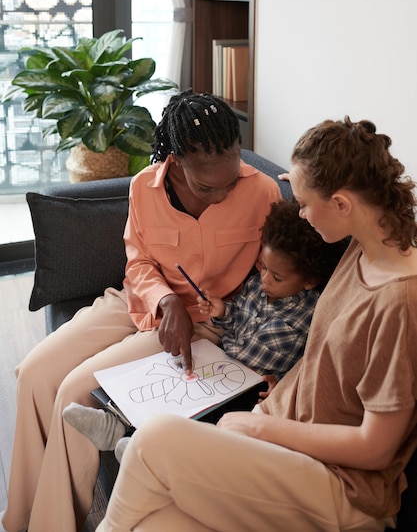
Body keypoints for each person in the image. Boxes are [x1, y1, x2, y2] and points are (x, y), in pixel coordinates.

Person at [95, 116, 417, 532]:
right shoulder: (362, 245)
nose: (300, 214)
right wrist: (271, 408)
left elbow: (375, 449)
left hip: (340, 485)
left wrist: (259, 424)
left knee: (154, 439)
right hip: (281, 438)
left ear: (342, 204)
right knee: (152, 521)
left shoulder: (399, 299)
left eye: (302, 202)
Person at [0, 90, 280, 532]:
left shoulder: (262, 192)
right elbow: (140, 260)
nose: (222, 194)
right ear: (178, 161)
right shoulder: (143, 187)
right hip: (138, 301)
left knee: (75, 391)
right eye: (208, 187)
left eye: (230, 182)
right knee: (34, 373)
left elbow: (276, 279)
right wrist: (164, 300)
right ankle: (18, 519)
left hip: (202, 326)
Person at [62, 199, 349, 451]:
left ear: (309, 281)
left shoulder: (312, 314)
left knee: (201, 418)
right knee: (171, 383)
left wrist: (284, 387)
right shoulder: (258, 288)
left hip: (252, 391)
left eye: (277, 277)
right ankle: (116, 425)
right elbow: (238, 319)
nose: (264, 280)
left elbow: (313, 364)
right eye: (262, 267)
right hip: (223, 362)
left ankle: (140, 445)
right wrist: (223, 311)